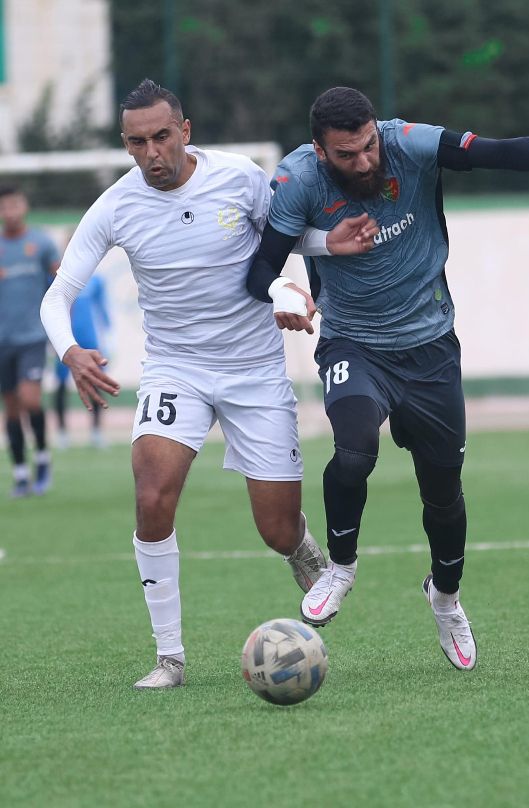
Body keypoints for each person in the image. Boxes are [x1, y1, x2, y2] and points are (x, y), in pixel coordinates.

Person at [246, 86, 529, 671]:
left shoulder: (410, 144)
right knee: (353, 451)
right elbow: (259, 270)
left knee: (444, 491)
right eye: (347, 154)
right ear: (321, 152)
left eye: (369, 146)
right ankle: (341, 567)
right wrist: (283, 291)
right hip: (353, 343)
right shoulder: (299, 180)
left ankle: (445, 598)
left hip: (430, 348)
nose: (365, 162)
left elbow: (495, 152)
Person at [40, 79, 378, 690]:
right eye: (137, 143)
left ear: (185, 131)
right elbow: (57, 295)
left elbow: (284, 237)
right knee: (152, 496)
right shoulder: (115, 206)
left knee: (276, 528)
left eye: (162, 137)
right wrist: (70, 352)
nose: (152, 153)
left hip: (255, 371)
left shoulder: (239, 177)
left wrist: (323, 248)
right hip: (176, 370)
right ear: (126, 143)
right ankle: (169, 657)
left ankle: (301, 550)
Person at [0, 186, 60, 498]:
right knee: (11, 409)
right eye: (4, 207)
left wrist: (61, 328)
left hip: (32, 338)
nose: (9, 212)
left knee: (31, 400)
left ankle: (43, 458)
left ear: (24, 207)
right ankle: (21, 473)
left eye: (14, 205)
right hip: (2, 341)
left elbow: (61, 286)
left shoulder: (41, 244)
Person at [54, 273, 112, 449]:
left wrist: (109, 338)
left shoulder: (96, 280)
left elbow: (102, 310)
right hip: (66, 340)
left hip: (90, 339)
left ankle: (96, 431)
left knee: (96, 382)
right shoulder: (58, 278)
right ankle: (62, 432)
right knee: (61, 385)